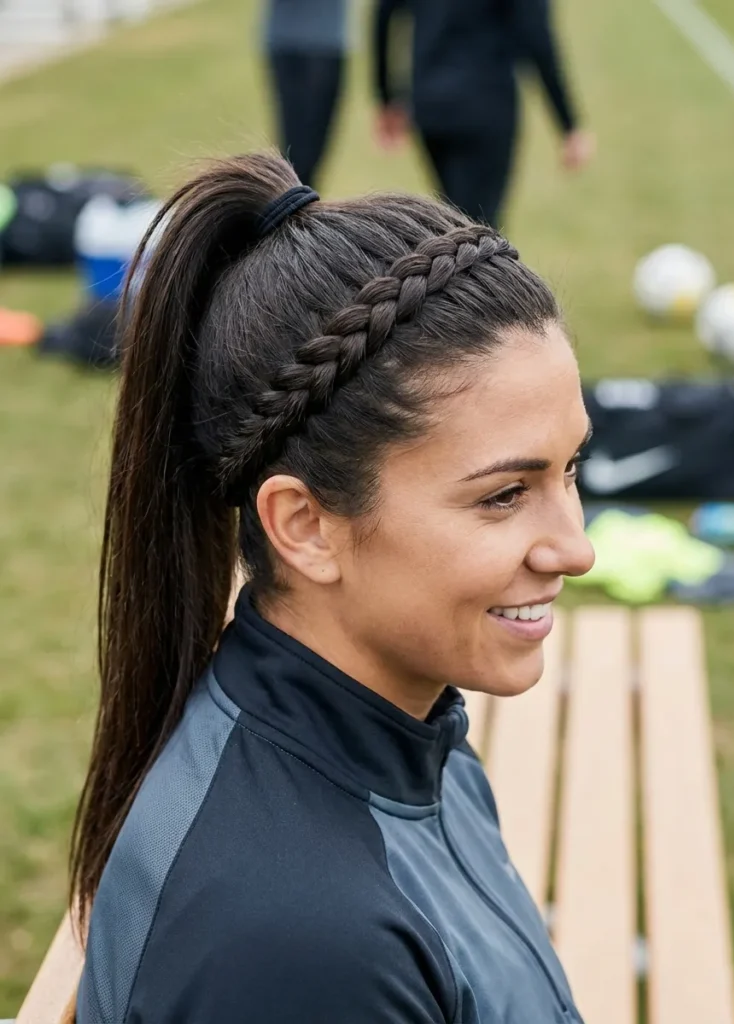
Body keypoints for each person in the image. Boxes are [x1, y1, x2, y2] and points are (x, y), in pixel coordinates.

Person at [72, 151, 595, 1023]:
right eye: (504, 494)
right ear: (305, 526)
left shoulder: (407, 732)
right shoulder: (298, 950)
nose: (574, 549)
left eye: (569, 467)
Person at [374, 0, 595, 227]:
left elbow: (383, 14)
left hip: (432, 106)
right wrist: (568, 124)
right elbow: (537, 35)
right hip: (487, 105)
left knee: (453, 220)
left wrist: (387, 98)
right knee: (481, 229)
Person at [262, 0, 348, 186]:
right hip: (300, 40)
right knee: (297, 154)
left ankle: (297, 206)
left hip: (323, 38)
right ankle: (294, 207)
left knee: (309, 152)